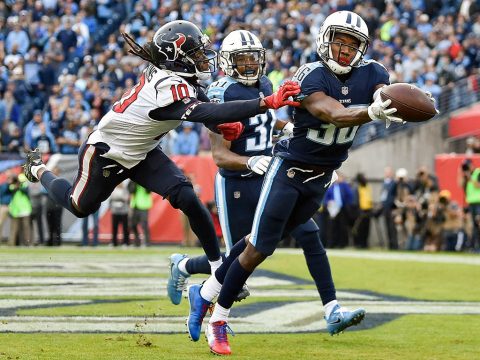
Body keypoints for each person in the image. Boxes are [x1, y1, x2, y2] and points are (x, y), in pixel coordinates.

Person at [187, 11, 437, 356]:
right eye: (340, 40)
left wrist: (395, 99)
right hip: (288, 170)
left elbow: (383, 92)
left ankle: (204, 293)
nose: (346, 49)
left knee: (260, 241)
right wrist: (373, 112)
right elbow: (333, 113)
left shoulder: (374, 72)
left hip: (322, 175)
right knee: (258, 248)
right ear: (325, 39)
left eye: (353, 44)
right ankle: (219, 321)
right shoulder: (310, 75)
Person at [23, 20, 300, 276]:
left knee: (187, 197)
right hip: (108, 152)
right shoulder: (167, 88)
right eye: (197, 53)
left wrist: (219, 126)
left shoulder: (174, 76)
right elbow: (203, 111)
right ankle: (37, 169)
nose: (205, 58)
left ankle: (217, 267)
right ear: (177, 60)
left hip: (143, 151)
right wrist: (266, 102)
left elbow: (203, 103)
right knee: (79, 206)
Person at [168, 31, 364, 345]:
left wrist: (291, 127)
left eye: (252, 58)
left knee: (306, 234)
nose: (248, 65)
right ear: (228, 62)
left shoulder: (265, 85)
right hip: (236, 182)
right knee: (241, 256)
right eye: (241, 59)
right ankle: (190, 273)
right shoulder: (220, 93)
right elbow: (219, 155)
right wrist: (248, 162)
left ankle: (332, 309)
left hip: (269, 175)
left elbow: (265, 120)